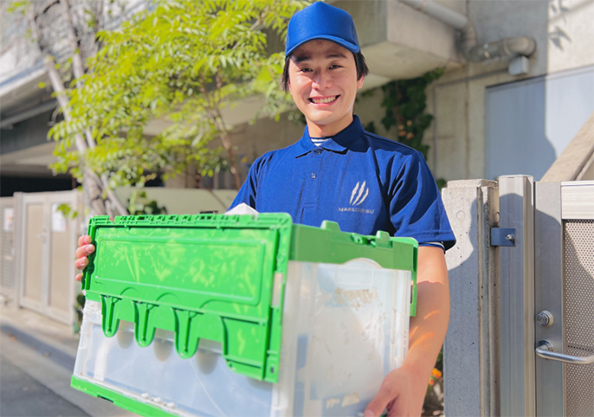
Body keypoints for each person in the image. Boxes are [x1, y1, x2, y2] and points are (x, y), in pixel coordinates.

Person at [75, 2, 455, 416]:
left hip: (356, 391)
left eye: (335, 64)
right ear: (288, 82)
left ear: (360, 75)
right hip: (258, 387)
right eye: (305, 67)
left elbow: (430, 280)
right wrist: (117, 262)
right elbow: (215, 266)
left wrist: (416, 370)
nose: (320, 81)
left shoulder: (397, 165)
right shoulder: (266, 170)